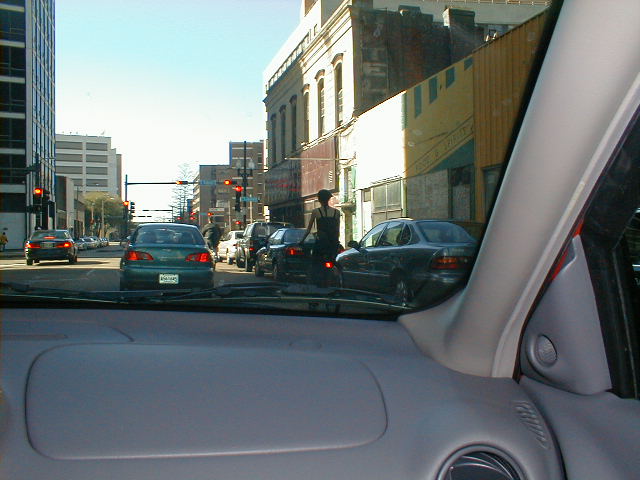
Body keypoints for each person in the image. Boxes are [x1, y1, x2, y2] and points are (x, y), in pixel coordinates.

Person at [300, 189, 341, 286]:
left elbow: (308, 229)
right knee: (336, 262)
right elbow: (337, 230)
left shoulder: (316, 212)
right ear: (329, 199)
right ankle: (337, 280)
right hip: (333, 245)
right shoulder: (336, 212)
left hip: (321, 244)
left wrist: (301, 241)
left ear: (319, 199)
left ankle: (315, 283)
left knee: (315, 263)